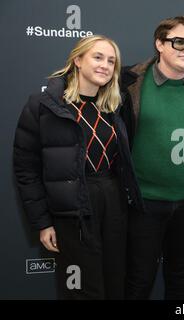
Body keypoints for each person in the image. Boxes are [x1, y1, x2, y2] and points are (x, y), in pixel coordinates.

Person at [13, 35, 142, 299]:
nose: (105, 65)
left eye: (111, 61)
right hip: (72, 210)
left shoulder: (114, 107)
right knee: (80, 289)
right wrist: (43, 222)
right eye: (97, 57)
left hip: (113, 203)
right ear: (77, 60)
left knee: (114, 284)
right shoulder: (44, 106)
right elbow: (26, 169)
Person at [121, 16, 184, 300]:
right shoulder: (130, 82)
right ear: (159, 44)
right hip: (144, 203)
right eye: (179, 42)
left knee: (179, 278)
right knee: (139, 280)